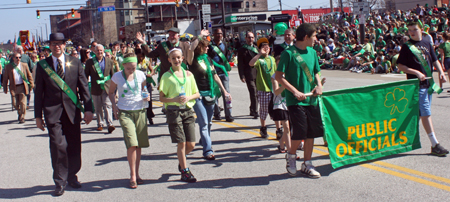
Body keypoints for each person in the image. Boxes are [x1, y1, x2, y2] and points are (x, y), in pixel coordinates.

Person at [34, 33, 93, 196]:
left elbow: (83, 88)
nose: (57, 46)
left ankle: (72, 176)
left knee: (74, 146)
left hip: (72, 112)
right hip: (52, 113)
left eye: (59, 43)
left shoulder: (75, 63)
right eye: (53, 43)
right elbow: (38, 92)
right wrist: (38, 116)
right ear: (50, 46)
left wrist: (88, 109)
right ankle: (59, 181)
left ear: (64, 45)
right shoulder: (42, 65)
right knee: (58, 146)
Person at [275, 23, 324, 178]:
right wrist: (295, 91)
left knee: (311, 133)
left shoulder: (313, 52)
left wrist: (318, 86)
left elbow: (316, 72)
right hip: (295, 100)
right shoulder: (288, 54)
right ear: (305, 37)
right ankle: (291, 156)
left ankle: (307, 163)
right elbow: (278, 77)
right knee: (301, 131)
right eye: (314, 36)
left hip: (311, 99)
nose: (316, 39)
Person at [398, 20, 449, 156]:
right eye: (409, 30)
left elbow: (434, 60)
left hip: (429, 85)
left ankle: (398, 137)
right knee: (426, 114)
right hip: (416, 86)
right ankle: (435, 144)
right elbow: (400, 66)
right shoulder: (407, 47)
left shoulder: (427, 43)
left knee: (421, 114)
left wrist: (441, 73)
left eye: (414, 29)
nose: (412, 32)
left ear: (421, 29)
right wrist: (416, 72)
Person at [109, 53, 150, 188]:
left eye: (133, 68)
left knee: (138, 145)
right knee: (132, 143)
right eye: (129, 68)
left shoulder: (141, 75)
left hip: (140, 111)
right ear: (124, 65)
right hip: (125, 112)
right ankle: (132, 175)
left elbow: (144, 89)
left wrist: (147, 96)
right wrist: (114, 106)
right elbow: (110, 92)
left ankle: (137, 174)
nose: (131, 70)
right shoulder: (117, 76)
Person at [159, 48, 200, 182]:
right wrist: (174, 99)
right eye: (173, 58)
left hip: (187, 110)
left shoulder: (189, 74)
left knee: (192, 144)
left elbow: (197, 93)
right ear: (169, 60)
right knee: (181, 143)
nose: (176, 60)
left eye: (179, 57)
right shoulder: (166, 76)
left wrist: (188, 98)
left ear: (182, 58)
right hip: (173, 111)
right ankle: (185, 171)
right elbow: (162, 98)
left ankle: (181, 161)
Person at [190, 36, 231, 160]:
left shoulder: (208, 58)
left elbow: (215, 76)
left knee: (209, 123)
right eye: (205, 46)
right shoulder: (191, 59)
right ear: (199, 47)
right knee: (204, 123)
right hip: (198, 95)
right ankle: (208, 150)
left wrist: (224, 91)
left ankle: (204, 140)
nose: (208, 48)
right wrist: (199, 37)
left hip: (210, 93)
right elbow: (189, 48)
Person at [249, 38, 277, 138]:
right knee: (264, 110)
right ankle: (263, 127)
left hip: (274, 88)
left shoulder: (272, 59)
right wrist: (260, 54)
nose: (266, 48)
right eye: (263, 47)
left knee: (276, 110)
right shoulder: (259, 60)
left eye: (267, 47)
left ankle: (278, 129)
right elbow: (251, 63)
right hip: (263, 89)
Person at [85, 44, 115, 133]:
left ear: (104, 51)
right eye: (97, 50)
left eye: (101, 50)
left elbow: (112, 74)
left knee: (107, 105)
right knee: (98, 107)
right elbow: (86, 75)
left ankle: (110, 124)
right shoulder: (90, 62)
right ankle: (100, 124)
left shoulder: (109, 61)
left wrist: (114, 87)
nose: (99, 52)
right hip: (95, 87)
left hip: (107, 86)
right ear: (94, 51)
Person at [207, 28, 234, 122]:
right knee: (215, 94)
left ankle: (228, 115)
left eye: (220, 34)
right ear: (213, 34)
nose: (219, 35)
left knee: (226, 94)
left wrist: (227, 68)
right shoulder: (209, 46)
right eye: (217, 33)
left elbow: (227, 57)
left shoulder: (225, 45)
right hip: (213, 73)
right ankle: (217, 113)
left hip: (223, 72)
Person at [2, 52, 34, 123]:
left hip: (22, 86)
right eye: (16, 57)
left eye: (19, 57)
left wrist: (31, 84)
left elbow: (29, 75)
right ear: (13, 58)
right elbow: (5, 78)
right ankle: (19, 112)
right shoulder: (9, 66)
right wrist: (5, 88)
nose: (18, 59)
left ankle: (22, 116)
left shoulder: (24, 65)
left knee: (23, 103)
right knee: (15, 104)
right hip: (13, 87)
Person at [271, 56, 291, 153]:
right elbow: (276, 91)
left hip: (290, 102)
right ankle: (291, 151)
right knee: (286, 127)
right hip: (279, 104)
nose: (280, 66)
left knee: (289, 128)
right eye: (278, 64)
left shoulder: (288, 74)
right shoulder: (274, 76)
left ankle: (281, 144)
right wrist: (285, 84)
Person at [238, 32, 259, 119]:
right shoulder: (242, 49)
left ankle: (252, 108)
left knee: (257, 93)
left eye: (252, 37)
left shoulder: (257, 48)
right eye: (249, 37)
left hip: (257, 74)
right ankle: (255, 111)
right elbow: (240, 64)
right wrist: (242, 76)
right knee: (253, 92)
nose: (251, 39)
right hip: (248, 74)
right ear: (246, 38)